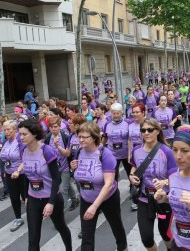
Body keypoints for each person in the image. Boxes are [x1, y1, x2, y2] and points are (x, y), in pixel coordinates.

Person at [71, 122, 127, 251]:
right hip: (87, 198)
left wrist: (95, 207)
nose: (80, 140)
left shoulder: (105, 154)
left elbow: (108, 184)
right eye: (79, 136)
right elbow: (79, 175)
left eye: (85, 137)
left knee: (116, 225)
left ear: (95, 137)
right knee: (87, 237)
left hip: (108, 198)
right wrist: (73, 169)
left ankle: (122, 247)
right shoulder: (78, 152)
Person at [18, 119, 72, 251]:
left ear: (34, 134)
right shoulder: (23, 151)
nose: (21, 137)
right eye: (20, 134)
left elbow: (56, 178)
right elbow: (26, 175)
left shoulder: (46, 151)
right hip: (33, 199)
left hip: (51, 198)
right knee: (33, 237)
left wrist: (51, 203)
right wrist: (26, 196)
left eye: (24, 134)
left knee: (61, 227)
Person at [129, 118, 176, 250]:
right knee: (147, 238)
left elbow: (176, 176)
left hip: (163, 200)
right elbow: (134, 167)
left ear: (157, 131)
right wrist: (132, 176)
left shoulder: (166, 151)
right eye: (143, 130)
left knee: (165, 233)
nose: (146, 133)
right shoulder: (136, 151)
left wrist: (164, 182)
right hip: (145, 199)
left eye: (150, 130)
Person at [45, 116, 77, 211]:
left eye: (55, 127)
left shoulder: (65, 137)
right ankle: (75, 199)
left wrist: (57, 146)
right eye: (51, 127)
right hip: (54, 168)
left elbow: (68, 154)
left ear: (59, 126)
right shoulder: (47, 138)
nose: (53, 129)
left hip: (65, 167)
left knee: (63, 189)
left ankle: (61, 212)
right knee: (66, 185)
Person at [0, 120, 26, 232]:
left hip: (22, 175)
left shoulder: (20, 141)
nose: (6, 132)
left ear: (15, 130)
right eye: (5, 130)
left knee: (26, 198)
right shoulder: (5, 142)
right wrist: (6, 171)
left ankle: (34, 215)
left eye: (9, 129)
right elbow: (4, 159)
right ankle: (18, 218)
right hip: (10, 175)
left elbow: (26, 159)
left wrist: (18, 171)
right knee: (14, 198)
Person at [102, 103, 131, 180]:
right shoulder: (107, 124)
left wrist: (130, 153)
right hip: (113, 154)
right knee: (114, 176)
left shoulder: (128, 123)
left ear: (121, 113)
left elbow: (130, 139)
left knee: (130, 173)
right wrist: (100, 148)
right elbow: (105, 137)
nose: (115, 115)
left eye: (117, 113)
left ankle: (133, 188)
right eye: (113, 113)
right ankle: (114, 191)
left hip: (126, 154)